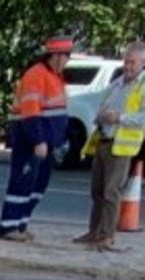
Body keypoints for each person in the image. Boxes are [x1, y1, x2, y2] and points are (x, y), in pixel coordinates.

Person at [0, 35, 73, 242]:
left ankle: (20, 224)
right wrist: (38, 140)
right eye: (66, 56)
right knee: (22, 183)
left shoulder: (54, 76)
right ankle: (9, 227)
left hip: (45, 143)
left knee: (38, 186)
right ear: (56, 56)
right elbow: (30, 110)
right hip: (30, 141)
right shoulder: (37, 75)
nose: (67, 61)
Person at [73, 40, 145, 252]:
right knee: (97, 190)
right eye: (126, 61)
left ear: (142, 62)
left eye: (132, 62)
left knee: (111, 192)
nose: (128, 66)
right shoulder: (118, 83)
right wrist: (101, 116)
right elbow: (102, 106)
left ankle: (106, 236)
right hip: (103, 139)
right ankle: (93, 231)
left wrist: (119, 117)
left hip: (121, 145)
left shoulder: (142, 86)